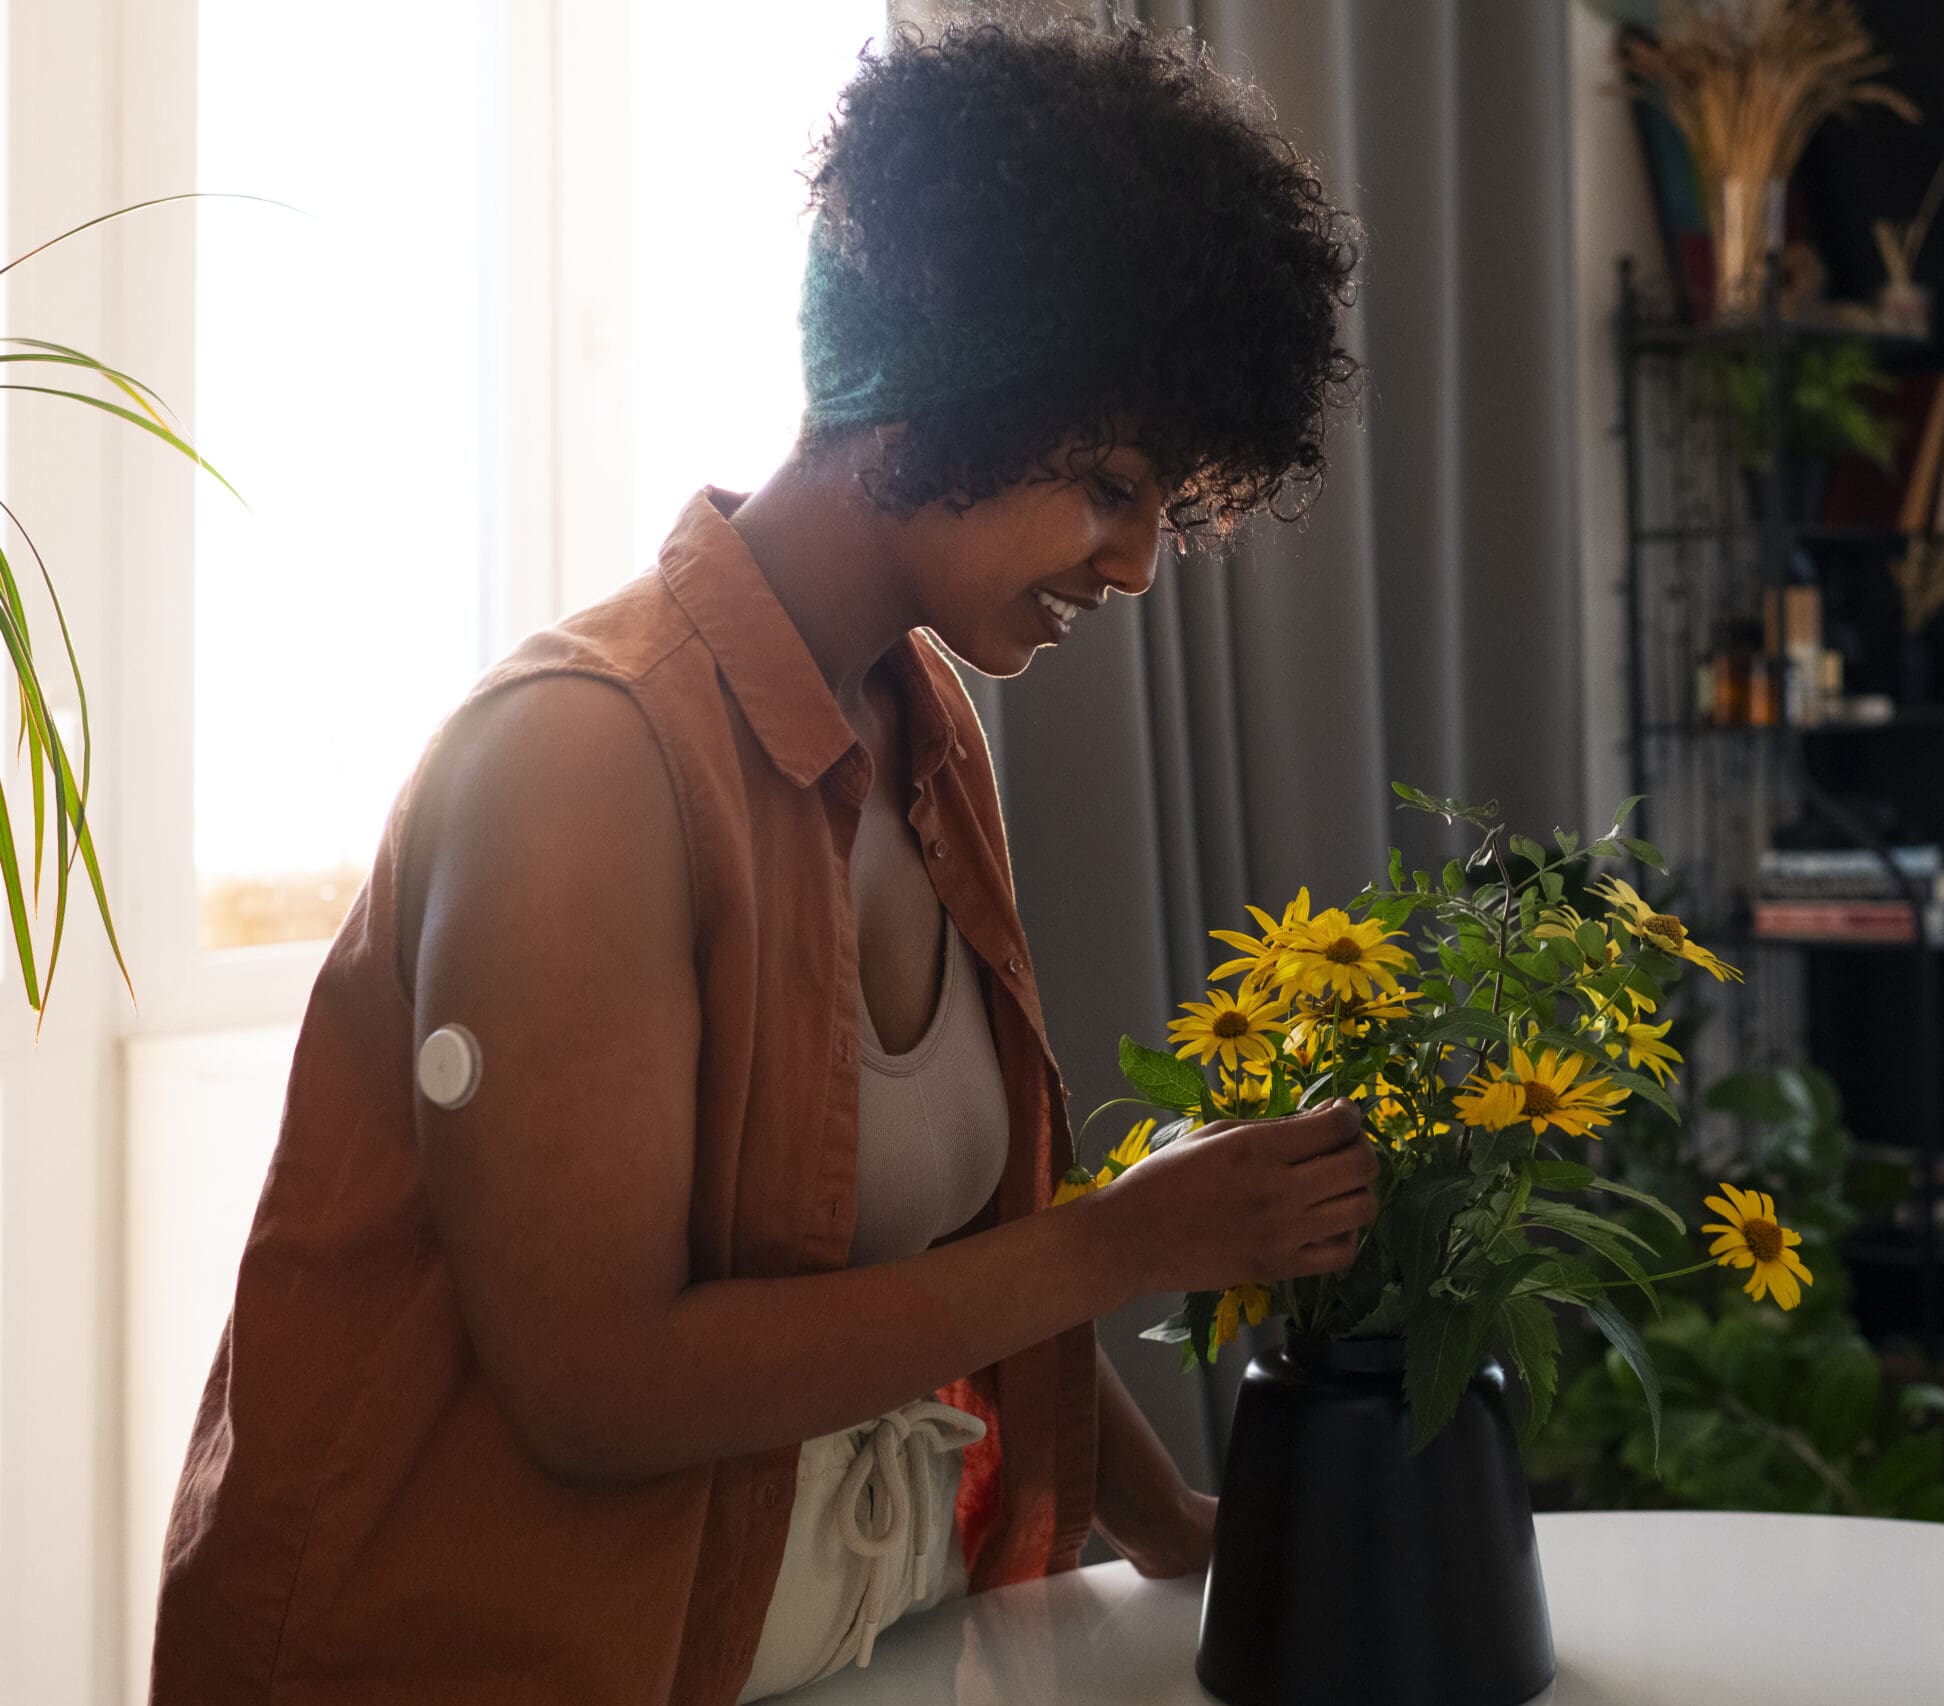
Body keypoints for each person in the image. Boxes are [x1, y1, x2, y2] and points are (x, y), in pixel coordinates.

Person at [150, 13, 1369, 1703]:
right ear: (933, 391)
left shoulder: (926, 732)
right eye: (1105, 479)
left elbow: (947, 1265)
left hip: (836, 1644)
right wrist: (1126, 1239)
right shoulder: (581, 761)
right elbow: (594, 1387)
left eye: (1167, 496)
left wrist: (1170, 1526)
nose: (1143, 562)